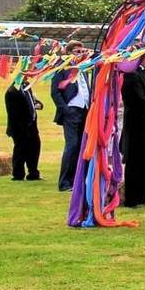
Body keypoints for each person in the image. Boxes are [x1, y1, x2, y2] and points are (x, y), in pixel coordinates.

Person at [50, 40, 91, 192]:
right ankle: (64, 182)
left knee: (82, 146)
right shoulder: (62, 68)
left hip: (85, 110)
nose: (80, 54)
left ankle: (78, 179)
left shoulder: (84, 68)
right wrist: (66, 109)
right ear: (69, 53)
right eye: (77, 51)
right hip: (71, 111)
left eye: (82, 51)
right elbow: (55, 92)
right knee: (72, 145)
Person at [120, 54, 145, 206]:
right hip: (138, 125)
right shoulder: (131, 76)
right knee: (135, 161)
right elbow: (139, 100)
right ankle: (132, 197)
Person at [4, 82, 42, 181]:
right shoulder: (12, 91)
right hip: (19, 127)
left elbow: (31, 99)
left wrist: (38, 104)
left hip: (32, 125)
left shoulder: (26, 86)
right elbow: (14, 114)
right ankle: (18, 174)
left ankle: (33, 173)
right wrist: (22, 128)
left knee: (34, 147)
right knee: (20, 150)